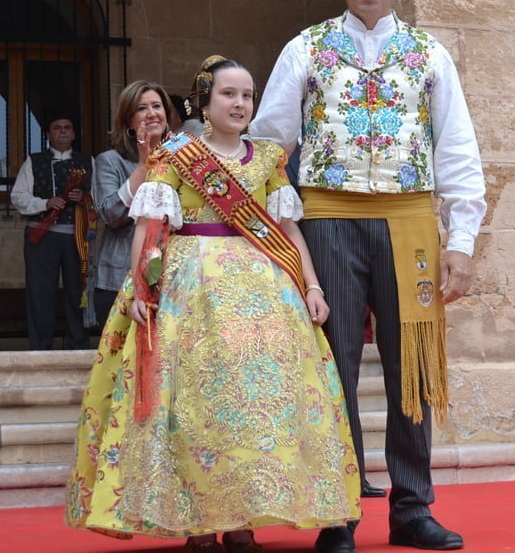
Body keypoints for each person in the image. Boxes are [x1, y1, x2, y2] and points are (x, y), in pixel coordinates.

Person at [250, 0, 486, 553]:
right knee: (335, 367)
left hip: (410, 219)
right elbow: (270, 142)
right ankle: (339, 513)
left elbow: (457, 148)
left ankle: (412, 509)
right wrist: (273, 229)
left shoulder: (430, 54)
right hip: (327, 215)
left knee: (412, 366)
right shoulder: (305, 48)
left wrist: (460, 241)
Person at [65, 56, 360, 549]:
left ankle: (242, 517)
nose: (240, 103)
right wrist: (142, 288)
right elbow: (149, 228)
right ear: (203, 101)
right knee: (194, 405)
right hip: (190, 293)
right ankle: (197, 520)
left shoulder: (267, 158)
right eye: (229, 94)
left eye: (247, 95)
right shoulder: (174, 156)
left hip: (264, 297)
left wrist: (311, 285)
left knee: (250, 406)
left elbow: (287, 229)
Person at [91, 80, 173, 328]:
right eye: (141, 108)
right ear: (128, 121)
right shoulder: (110, 161)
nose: (151, 114)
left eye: (156, 106)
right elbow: (110, 215)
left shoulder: (182, 160)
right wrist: (142, 165)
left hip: (173, 279)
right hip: (119, 279)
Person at [10, 115, 94, 350]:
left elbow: (98, 198)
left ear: (74, 134)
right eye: (57, 128)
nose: (63, 132)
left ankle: (78, 347)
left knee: (77, 292)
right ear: (48, 135)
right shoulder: (33, 161)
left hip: (74, 236)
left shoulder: (88, 161)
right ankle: (40, 348)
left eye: (68, 128)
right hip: (41, 235)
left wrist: (84, 198)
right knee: (40, 292)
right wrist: (45, 203)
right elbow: (18, 197)